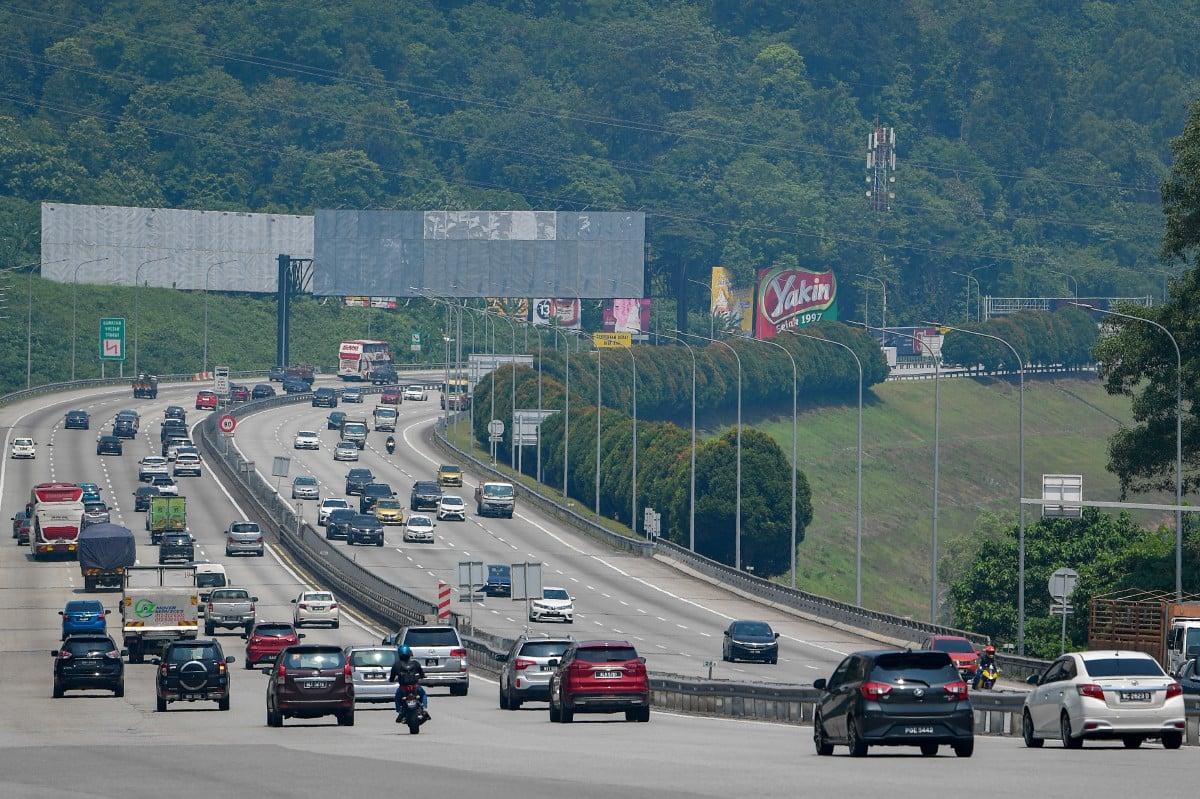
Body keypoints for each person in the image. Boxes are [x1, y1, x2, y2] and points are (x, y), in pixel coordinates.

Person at [389, 644, 428, 721]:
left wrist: (392, 680)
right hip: (415, 687)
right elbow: (422, 674)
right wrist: (422, 676)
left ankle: (400, 711)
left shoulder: (396, 665)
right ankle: (424, 707)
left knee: (397, 697)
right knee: (423, 694)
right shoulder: (415, 663)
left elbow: (392, 677)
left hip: (403, 688)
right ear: (409, 654)